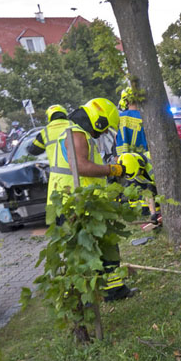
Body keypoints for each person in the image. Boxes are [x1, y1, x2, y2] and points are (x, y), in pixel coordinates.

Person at [48, 97, 136, 301]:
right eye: (105, 128)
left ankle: (107, 291)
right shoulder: (76, 134)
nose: (104, 132)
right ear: (98, 120)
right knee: (95, 252)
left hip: (78, 204)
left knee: (101, 251)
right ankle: (95, 296)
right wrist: (112, 169)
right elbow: (81, 166)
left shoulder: (78, 133)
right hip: (77, 206)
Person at [117, 152, 159, 224]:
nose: (137, 175)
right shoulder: (134, 172)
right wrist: (153, 214)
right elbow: (147, 192)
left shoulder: (154, 159)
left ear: (141, 164)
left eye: (138, 173)